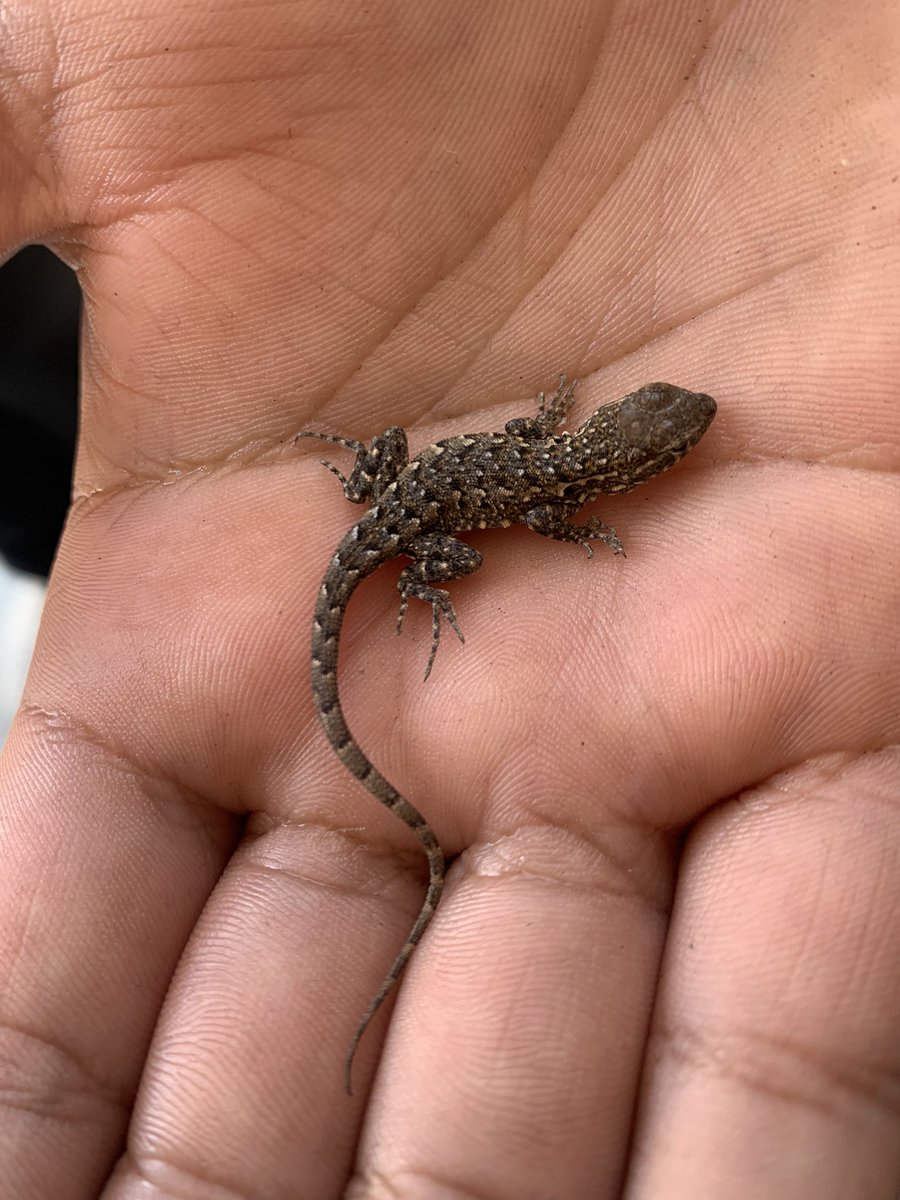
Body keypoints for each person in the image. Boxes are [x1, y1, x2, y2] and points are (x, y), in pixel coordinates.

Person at [1, 3, 898, 1195]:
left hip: (390, 494)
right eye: (668, 429)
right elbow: (549, 504)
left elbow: (542, 462)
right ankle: (413, 685)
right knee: (443, 562)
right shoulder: (572, 496)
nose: (677, 430)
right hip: (385, 520)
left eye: (667, 430)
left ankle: (390, 599)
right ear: (637, 455)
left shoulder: (573, 471)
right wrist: (478, 557)